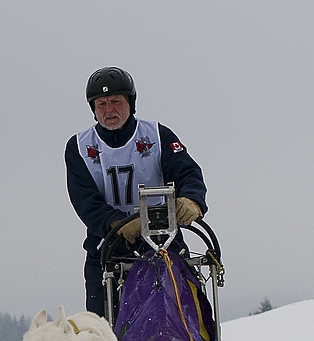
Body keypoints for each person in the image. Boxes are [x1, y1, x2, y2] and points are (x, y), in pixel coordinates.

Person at [65, 66, 208, 316]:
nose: (109, 110)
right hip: (107, 248)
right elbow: (84, 198)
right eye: (101, 104)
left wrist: (192, 199)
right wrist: (115, 223)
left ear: (130, 102)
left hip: (163, 240)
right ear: (93, 109)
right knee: (102, 329)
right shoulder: (79, 147)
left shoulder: (157, 135)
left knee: (188, 313)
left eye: (116, 102)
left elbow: (187, 172)